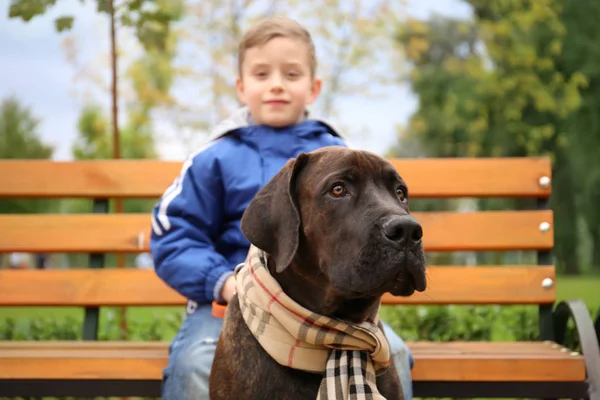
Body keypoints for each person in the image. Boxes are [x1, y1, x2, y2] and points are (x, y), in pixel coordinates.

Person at [150, 16, 415, 400]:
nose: (276, 83)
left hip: (331, 312)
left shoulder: (341, 155)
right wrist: (223, 282)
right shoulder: (214, 158)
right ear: (241, 87)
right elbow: (174, 235)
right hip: (223, 306)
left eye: (291, 73)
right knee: (196, 361)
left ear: (313, 87)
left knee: (396, 353)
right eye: (261, 73)